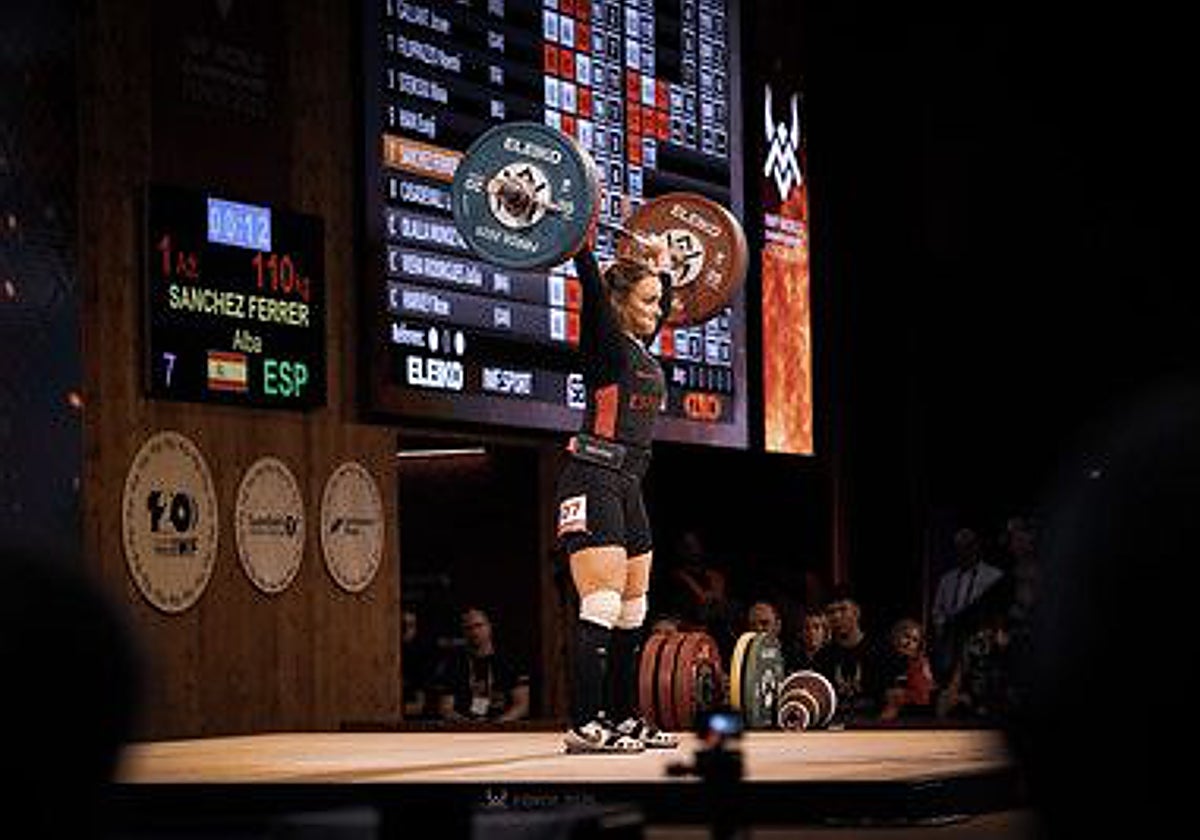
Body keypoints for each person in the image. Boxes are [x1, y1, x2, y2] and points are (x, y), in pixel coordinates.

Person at [554, 226, 681, 754]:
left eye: (659, 302)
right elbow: (591, 285)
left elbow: (661, 302)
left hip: (629, 485)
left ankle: (624, 718)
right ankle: (585, 723)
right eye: (649, 301)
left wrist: (662, 267)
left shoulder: (639, 348)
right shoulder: (606, 345)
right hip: (592, 478)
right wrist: (582, 240)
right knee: (602, 604)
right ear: (620, 304)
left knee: (633, 608)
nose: (659, 310)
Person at [930, 527, 1004, 681]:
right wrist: (943, 626)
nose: (964, 551)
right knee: (949, 677)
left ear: (977, 546)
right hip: (952, 641)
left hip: (981, 639)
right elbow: (937, 610)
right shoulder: (947, 579)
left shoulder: (994, 576)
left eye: (969, 546)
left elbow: (998, 610)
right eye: (960, 547)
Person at [432, 607, 530, 723]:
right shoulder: (453, 664)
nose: (474, 632)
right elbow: (445, 708)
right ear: (463, 632)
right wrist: (467, 725)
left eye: (479, 625)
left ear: (489, 627)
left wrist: (497, 725)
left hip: (502, 728)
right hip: (464, 729)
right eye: (468, 628)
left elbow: (522, 706)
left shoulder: (510, 661)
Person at [813, 585, 885, 724]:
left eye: (843, 609)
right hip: (833, 731)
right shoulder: (822, 657)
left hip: (873, 730)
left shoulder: (880, 651)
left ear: (856, 612)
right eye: (831, 612)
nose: (836, 616)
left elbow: (892, 704)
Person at [879, 618, 936, 722]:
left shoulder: (920, 663)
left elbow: (924, 697)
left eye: (915, 640)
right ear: (897, 636)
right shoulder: (883, 659)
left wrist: (903, 696)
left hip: (914, 718)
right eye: (906, 637)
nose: (909, 643)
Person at [401, 606, 436, 720]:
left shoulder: (421, 660)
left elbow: (419, 707)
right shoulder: (381, 657)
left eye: (410, 625)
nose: (405, 630)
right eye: (402, 625)